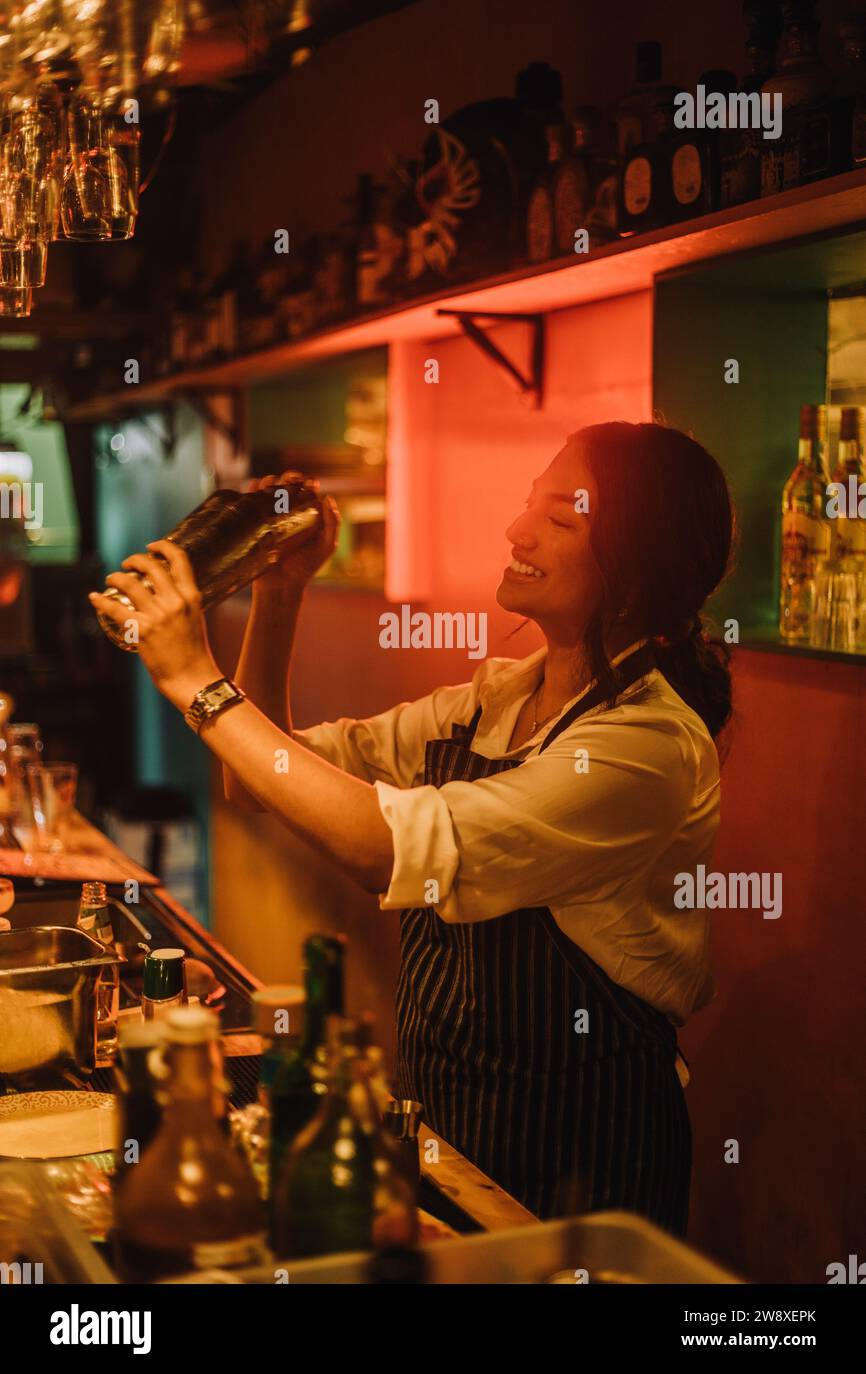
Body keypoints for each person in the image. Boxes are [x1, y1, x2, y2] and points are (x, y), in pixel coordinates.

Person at [89, 420, 734, 1231]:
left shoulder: (646, 748)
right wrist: (278, 590)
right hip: (449, 1122)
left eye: (562, 519)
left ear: (639, 574)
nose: (517, 529)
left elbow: (386, 848)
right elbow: (265, 775)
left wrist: (195, 680)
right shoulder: (490, 701)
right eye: (528, 502)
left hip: (583, 1150)